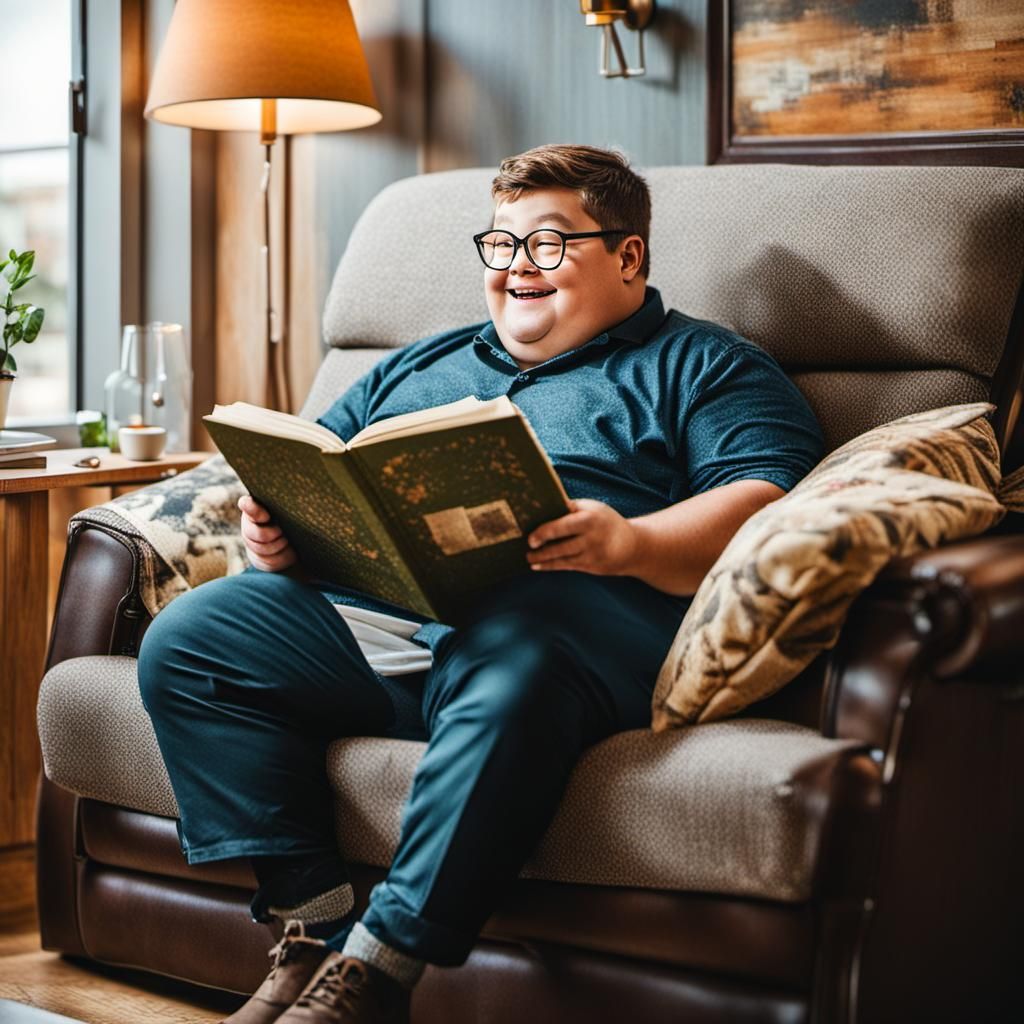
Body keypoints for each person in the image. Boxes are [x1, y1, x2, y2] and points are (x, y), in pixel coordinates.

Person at [137, 144, 824, 1024]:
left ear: (629, 256)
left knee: (522, 633)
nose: (516, 268)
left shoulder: (708, 365)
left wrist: (630, 542)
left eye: (548, 244)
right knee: (195, 637)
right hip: (385, 627)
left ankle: (373, 976)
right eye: (501, 245)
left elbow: (766, 502)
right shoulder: (416, 366)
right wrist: (284, 540)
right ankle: (314, 934)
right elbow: (318, 471)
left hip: (565, 625)